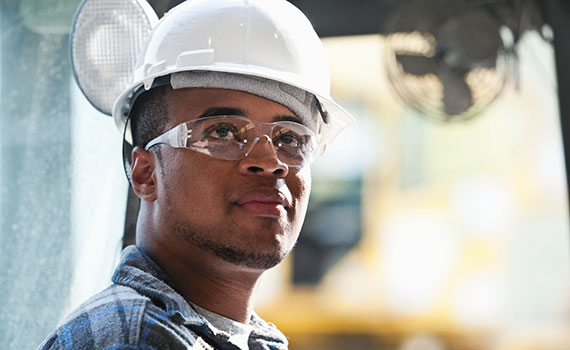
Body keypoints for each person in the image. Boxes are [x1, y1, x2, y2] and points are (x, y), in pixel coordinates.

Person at [39, 0, 353, 349]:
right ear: (145, 173)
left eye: (290, 138)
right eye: (222, 132)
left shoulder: (243, 339)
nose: (270, 161)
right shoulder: (135, 338)